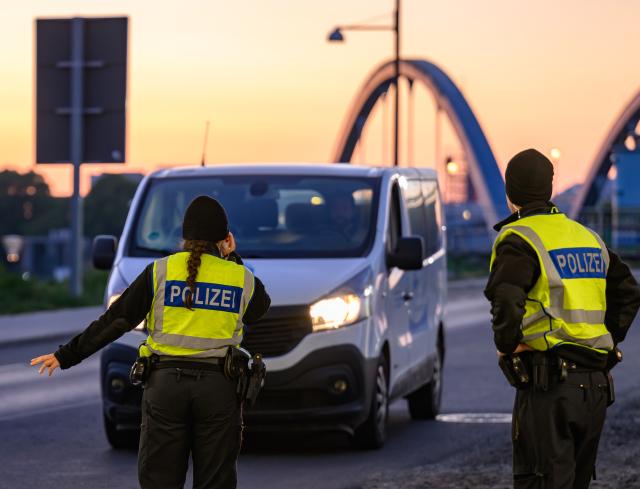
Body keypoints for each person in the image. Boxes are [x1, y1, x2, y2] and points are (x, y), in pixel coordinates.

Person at [31, 196, 271, 489]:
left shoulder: (160, 272)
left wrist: (66, 355)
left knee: (159, 479)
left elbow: (117, 320)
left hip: (165, 387)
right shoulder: (241, 278)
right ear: (226, 239)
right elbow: (259, 310)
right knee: (216, 481)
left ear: (184, 237)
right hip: (218, 389)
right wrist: (232, 259)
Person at [484, 149, 640, 489]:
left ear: (510, 194)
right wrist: (606, 339)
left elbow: (507, 299)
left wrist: (507, 347)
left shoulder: (520, 239)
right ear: (550, 189)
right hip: (595, 389)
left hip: (549, 389)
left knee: (541, 480)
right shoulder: (587, 237)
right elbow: (629, 291)